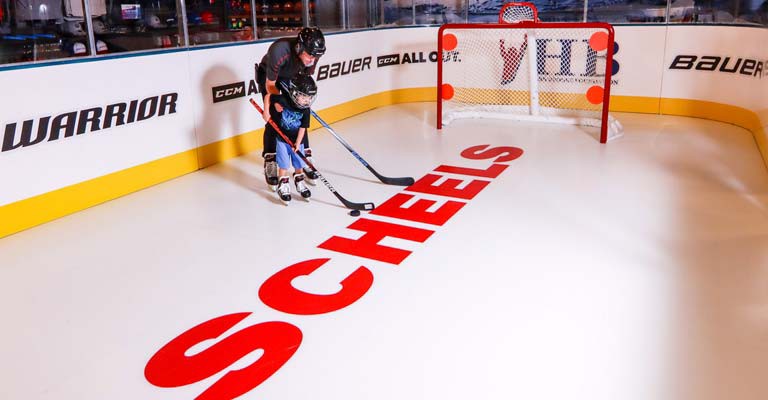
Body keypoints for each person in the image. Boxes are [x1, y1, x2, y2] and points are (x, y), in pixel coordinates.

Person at [256, 27, 326, 190]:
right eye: (310, 55)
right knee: (276, 117)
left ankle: (303, 155)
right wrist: (278, 102)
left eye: (316, 57)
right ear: (299, 48)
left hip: (292, 77)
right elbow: (271, 85)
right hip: (270, 78)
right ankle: (270, 158)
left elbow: (305, 78)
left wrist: (300, 102)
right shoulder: (279, 51)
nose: (313, 60)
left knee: (299, 113)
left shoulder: (312, 55)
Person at [265, 74, 317, 203]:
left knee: (298, 164)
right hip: (282, 141)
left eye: (309, 97)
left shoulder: (306, 110)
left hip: (296, 142)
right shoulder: (284, 99)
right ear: (294, 93)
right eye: (304, 96)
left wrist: (298, 143)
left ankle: (300, 182)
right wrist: (266, 112)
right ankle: (283, 186)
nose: (307, 100)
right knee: (283, 165)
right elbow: (268, 96)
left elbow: (303, 129)